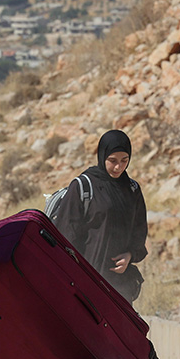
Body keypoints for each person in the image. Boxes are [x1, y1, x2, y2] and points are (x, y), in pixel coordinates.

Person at [53, 129, 148, 303]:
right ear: (102, 156)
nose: (119, 167)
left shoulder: (132, 189)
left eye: (124, 160)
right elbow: (66, 235)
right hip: (85, 284)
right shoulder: (83, 186)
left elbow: (139, 230)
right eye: (112, 161)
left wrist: (130, 255)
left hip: (120, 285)